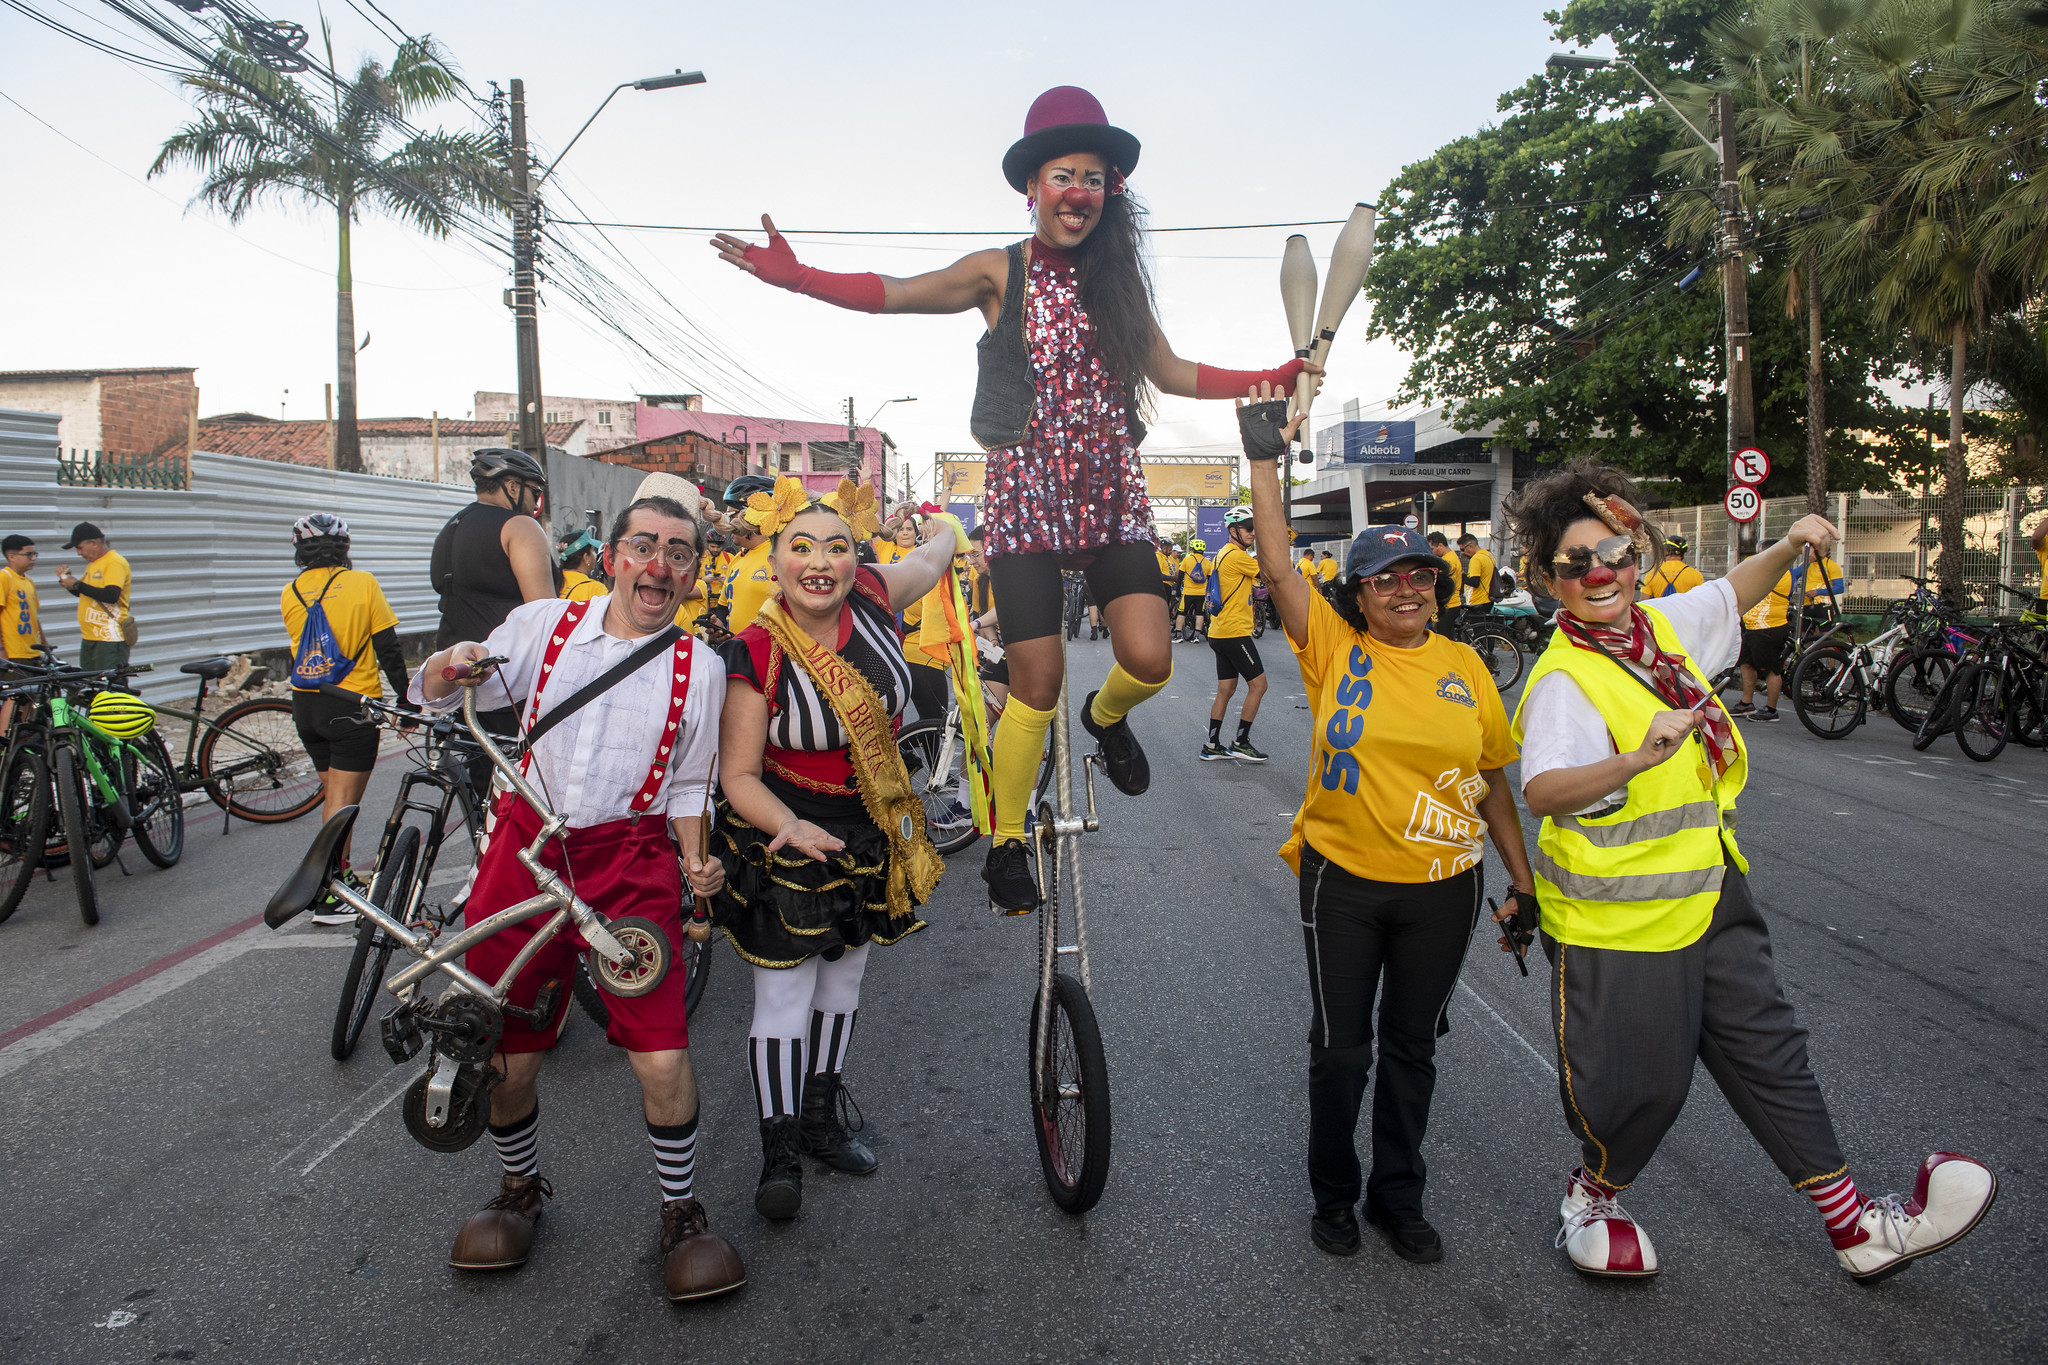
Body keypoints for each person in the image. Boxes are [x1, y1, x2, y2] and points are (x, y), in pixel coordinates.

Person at [713, 85, 1312, 915]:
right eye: (1063, 175)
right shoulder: (1001, 271)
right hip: (1028, 503)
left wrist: (1271, 376)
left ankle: (1106, 719)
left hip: (1110, 498)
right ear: (1033, 186)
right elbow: (899, 290)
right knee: (1036, 680)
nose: (1078, 192)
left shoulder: (1119, 286)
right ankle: (1003, 839)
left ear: (1110, 191)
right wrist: (799, 277)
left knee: (1151, 659)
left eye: (1094, 178)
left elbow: (1172, 372)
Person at [1504, 461, 1995, 1282]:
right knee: (1643, 1086)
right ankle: (1592, 1194)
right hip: (1620, 924)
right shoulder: (1565, 677)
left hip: (1711, 891)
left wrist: (1792, 543)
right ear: (1551, 582)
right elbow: (1545, 790)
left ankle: (1856, 1228)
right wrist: (1636, 756)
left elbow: (1732, 593)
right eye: (1575, 563)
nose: (1599, 573)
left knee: (1770, 1050)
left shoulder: (1657, 629)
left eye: (1614, 554)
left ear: (1636, 556)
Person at [414, 494, 745, 1302]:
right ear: (612, 557)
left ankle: (681, 1212)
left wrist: (696, 865)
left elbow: (691, 783)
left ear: (693, 574)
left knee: (660, 1052)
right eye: (644, 545)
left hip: (629, 861)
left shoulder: (699, 667)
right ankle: (518, 1189)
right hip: (523, 849)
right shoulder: (543, 626)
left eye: (679, 552)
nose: (659, 564)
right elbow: (436, 688)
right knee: (505, 1049)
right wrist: (455, 659)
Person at [1236, 390, 1537, 1264]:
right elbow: (1278, 565)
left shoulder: (1468, 666)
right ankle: (1332, 1194)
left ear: (1436, 587)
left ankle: (1397, 1196)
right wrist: (1264, 461)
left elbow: (1491, 779)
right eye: (1386, 578)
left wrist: (1523, 883)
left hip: (1445, 888)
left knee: (1413, 1049)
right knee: (1341, 1052)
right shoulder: (1335, 650)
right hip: (1342, 879)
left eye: (1420, 575)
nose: (1407, 588)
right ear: (1359, 594)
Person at [709, 476, 956, 1219]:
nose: (820, 563)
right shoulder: (756, 650)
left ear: (856, 558)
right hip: (786, 828)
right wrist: (787, 825)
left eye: (836, 548)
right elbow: (738, 775)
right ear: (775, 561)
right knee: (785, 995)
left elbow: (932, 561)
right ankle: (779, 1147)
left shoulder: (874, 595)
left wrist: (947, 526)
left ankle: (819, 1120)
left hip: (866, 825)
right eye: (802, 547)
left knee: (843, 986)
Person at [279, 514, 411, 922]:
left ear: (300, 551)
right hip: (351, 706)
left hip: (306, 707)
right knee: (343, 805)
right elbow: (388, 648)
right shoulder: (362, 582)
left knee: (334, 799)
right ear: (345, 547)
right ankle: (329, 894)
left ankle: (338, 878)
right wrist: (407, 700)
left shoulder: (290, 591)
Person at [1732, 549, 1840, 722]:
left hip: (1769, 627)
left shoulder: (1781, 573)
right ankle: (1747, 703)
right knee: (1746, 665)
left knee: (1772, 670)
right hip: (1751, 626)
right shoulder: (1768, 570)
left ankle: (1771, 709)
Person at [1201, 506, 1268, 762]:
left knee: (1225, 689)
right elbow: (1270, 572)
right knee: (1259, 685)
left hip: (1219, 631)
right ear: (1233, 530)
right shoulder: (1237, 556)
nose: (1253, 532)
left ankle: (1211, 745)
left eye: (1255, 528)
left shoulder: (1222, 553)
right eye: (1248, 528)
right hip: (1234, 632)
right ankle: (1240, 742)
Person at [56, 522, 133, 674]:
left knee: (108, 682)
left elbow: (111, 595)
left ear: (93, 543)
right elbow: (87, 594)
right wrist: (67, 581)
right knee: (89, 682)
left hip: (109, 638)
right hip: (91, 636)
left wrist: (77, 584)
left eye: (79, 548)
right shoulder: (94, 564)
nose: (78, 553)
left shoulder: (114, 562)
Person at [2, 534, 46, 663]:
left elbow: (34, 617)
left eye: (34, 554)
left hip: (33, 652)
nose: (33, 558)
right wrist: (1, 652)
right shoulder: (4, 577)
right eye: (28, 554)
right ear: (11, 557)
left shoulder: (29, 581)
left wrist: (45, 646)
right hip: (13, 654)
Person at [558, 529, 608, 602]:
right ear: (586, 557)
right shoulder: (595, 589)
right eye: (592, 551)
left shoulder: (553, 583)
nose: (594, 555)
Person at [1177, 539, 1211, 643]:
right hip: (1202, 593)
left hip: (1188, 592)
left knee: (1182, 613)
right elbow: (1210, 580)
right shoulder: (1208, 562)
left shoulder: (1187, 560)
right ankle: (1196, 636)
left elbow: (1180, 577)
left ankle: (1178, 636)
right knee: (1200, 614)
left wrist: (1178, 592)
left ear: (1192, 549)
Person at [1456, 533, 1496, 617]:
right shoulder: (1488, 555)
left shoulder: (1476, 559)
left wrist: (1462, 575)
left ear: (1470, 546)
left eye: (1463, 549)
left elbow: (1475, 582)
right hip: (1488, 600)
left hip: (1477, 602)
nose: (1463, 553)